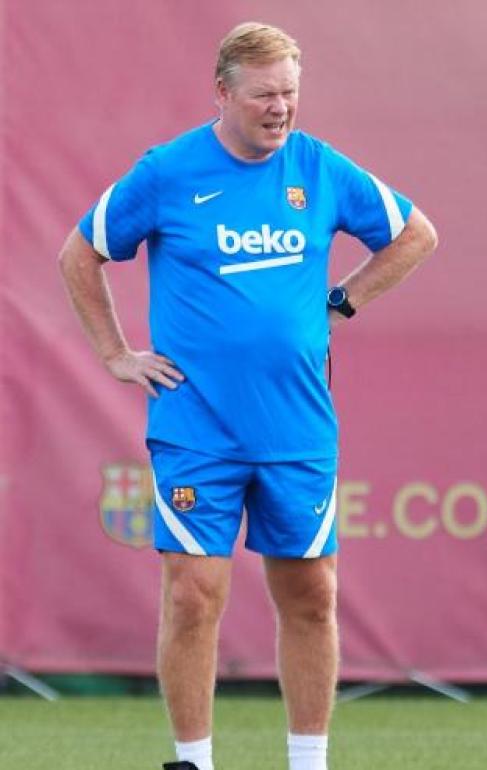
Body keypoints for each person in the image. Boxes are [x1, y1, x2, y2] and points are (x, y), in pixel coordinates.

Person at [57, 21, 437, 770]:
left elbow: (415, 233)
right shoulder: (167, 172)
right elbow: (80, 252)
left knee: (311, 594)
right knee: (193, 593)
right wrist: (113, 354)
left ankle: (308, 762)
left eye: (291, 93)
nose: (280, 108)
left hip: (296, 425)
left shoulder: (319, 169)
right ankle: (193, 762)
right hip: (196, 425)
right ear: (223, 92)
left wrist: (343, 303)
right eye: (265, 94)